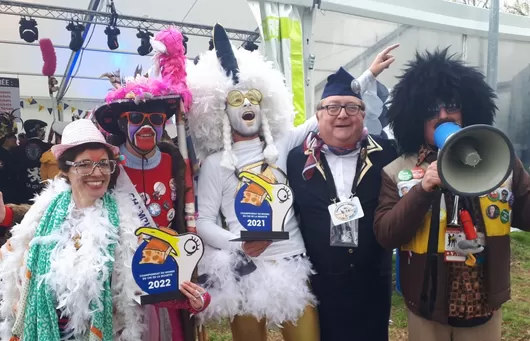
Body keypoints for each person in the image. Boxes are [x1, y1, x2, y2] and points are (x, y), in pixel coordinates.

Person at [186, 23, 392, 341]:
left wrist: (366, 77)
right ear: (220, 109)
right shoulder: (214, 164)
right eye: (236, 99)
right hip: (245, 268)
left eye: (252, 97)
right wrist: (237, 243)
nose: (246, 105)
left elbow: (326, 114)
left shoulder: (283, 142)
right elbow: (203, 221)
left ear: (264, 101)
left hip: (292, 264)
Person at [0, 119, 210, 341]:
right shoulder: (46, 210)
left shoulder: (126, 221)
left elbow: (142, 280)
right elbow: (12, 259)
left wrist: (189, 299)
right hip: (45, 330)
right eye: (84, 164)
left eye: (103, 163)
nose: (97, 172)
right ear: (66, 170)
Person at [373, 48, 530, 341]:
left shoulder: (501, 159)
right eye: (431, 111)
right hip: (427, 305)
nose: (443, 115)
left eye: (451, 106)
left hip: (484, 304)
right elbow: (386, 234)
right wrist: (422, 190)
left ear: (468, 108)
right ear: (415, 118)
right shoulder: (398, 170)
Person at [94, 27, 202, 341]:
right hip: (123, 272)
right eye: (135, 118)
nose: (146, 126)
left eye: (155, 119)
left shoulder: (175, 161)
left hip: (167, 268)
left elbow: (187, 217)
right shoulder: (107, 165)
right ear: (122, 122)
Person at [286, 62, 398, 341]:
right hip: (320, 283)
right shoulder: (297, 160)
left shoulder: (388, 154)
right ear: (318, 114)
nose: (342, 116)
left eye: (352, 108)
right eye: (333, 108)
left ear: (363, 113)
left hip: (373, 280)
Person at [12, 118, 52, 203]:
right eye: (42, 129)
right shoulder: (50, 148)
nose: (44, 132)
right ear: (38, 131)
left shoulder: (16, 150)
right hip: (45, 195)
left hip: (23, 195)